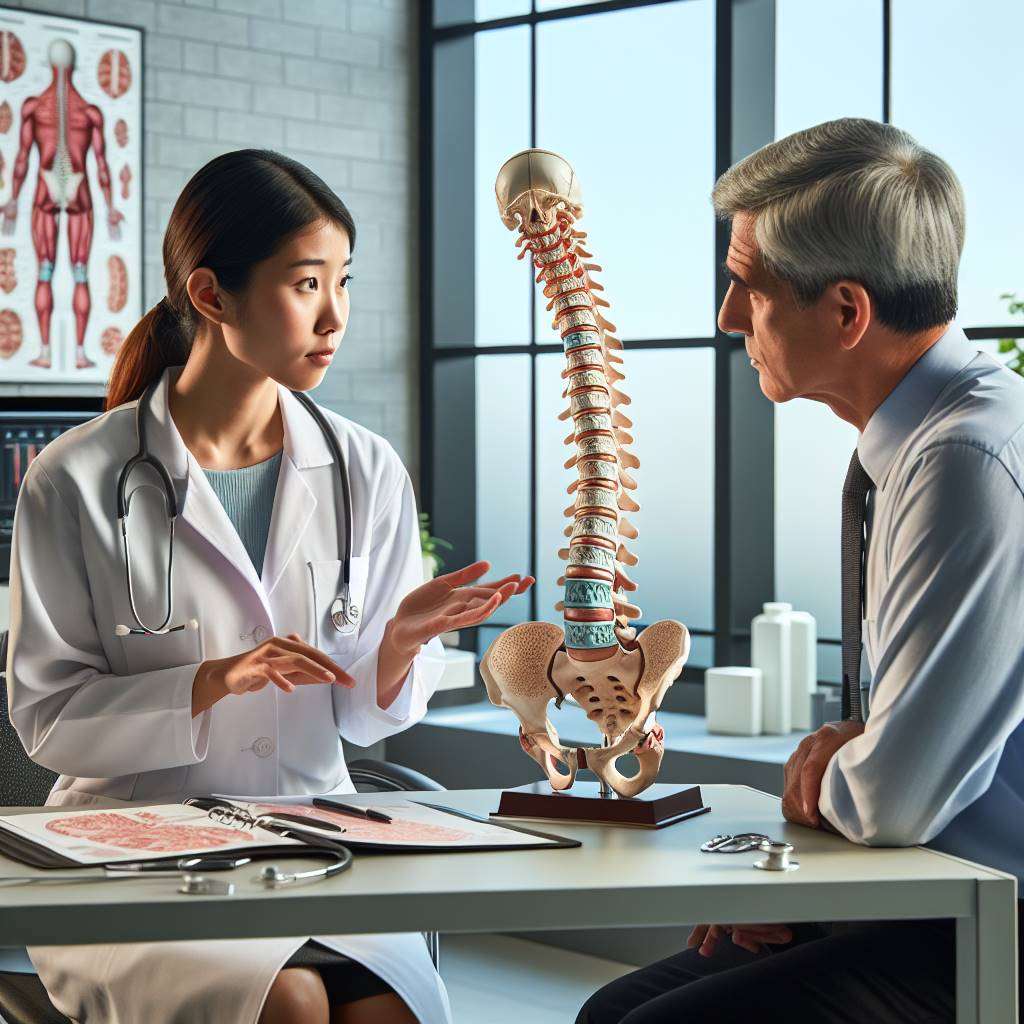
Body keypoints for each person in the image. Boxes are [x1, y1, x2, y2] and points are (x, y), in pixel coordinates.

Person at [6, 148, 533, 1024]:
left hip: (313, 833)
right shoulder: (76, 477)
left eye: (343, 281)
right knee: (286, 1003)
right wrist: (212, 680)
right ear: (212, 295)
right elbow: (48, 723)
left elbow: (363, 717)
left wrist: (400, 644)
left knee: (385, 1009)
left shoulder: (363, 467)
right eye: (305, 284)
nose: (336, 316)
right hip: (130, 849)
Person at [578, 118, 1024, 1023]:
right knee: (609, 1016)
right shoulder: (916, 446)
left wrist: (838, 764)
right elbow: (888, 768)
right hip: (909, 888)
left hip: (981, 919)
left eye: (748, 285)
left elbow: (890, 798)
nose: (726, 316)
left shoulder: (966, 463)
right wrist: (847, 763)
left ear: (848, 312)